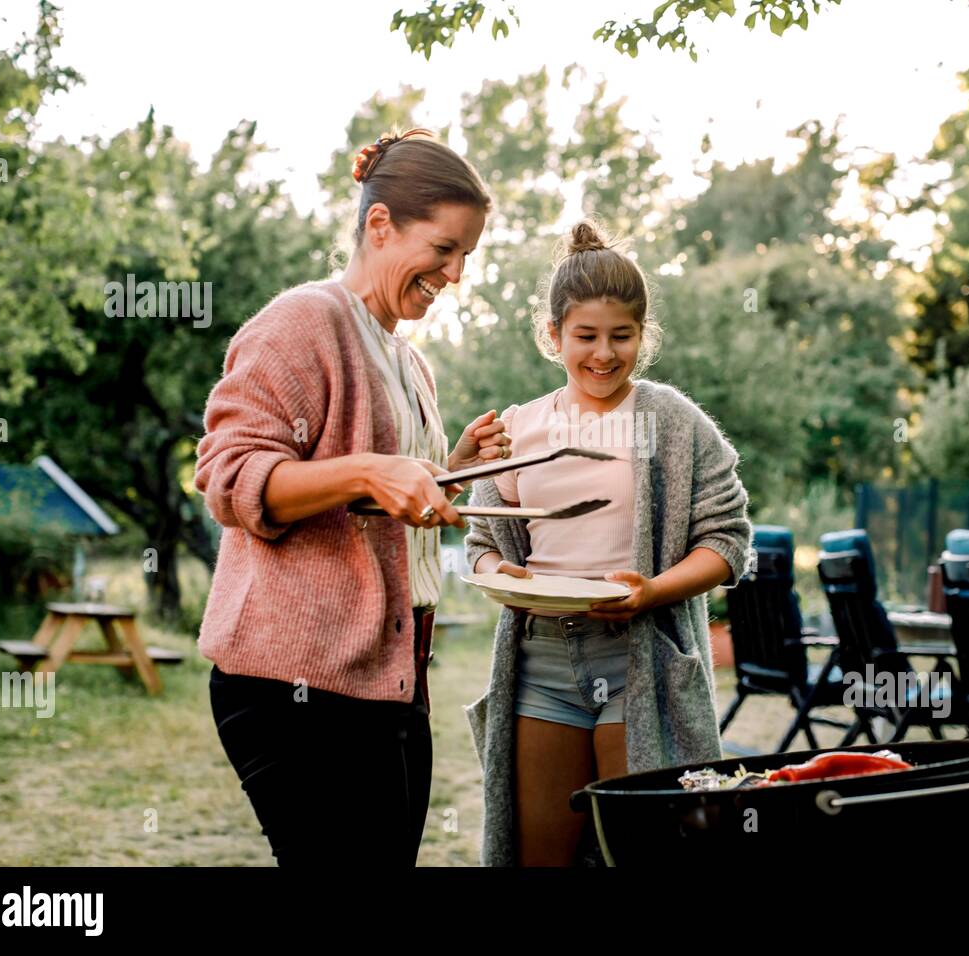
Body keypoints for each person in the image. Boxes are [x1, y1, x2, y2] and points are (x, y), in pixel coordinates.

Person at [194, 129, 511, 866]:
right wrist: (370, 471)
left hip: (388, 681)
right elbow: (229, 476)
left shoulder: (409, 362)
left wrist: (451, 466)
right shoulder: (304, 322)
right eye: (443, 248)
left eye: (467, 255)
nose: (456, 273)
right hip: (293, 688)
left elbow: (389, 503)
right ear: (379, 225)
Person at [463, 219, 752, 866]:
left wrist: (653, 591)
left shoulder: (674, 422)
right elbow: (482, 543)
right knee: (543, 855)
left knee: (642, 850)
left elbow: (727, 541)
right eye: (585, 336)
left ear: (643, 337)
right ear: (553, 335)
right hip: (541, 658)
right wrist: (504, 576)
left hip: (640, 659)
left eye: (621, 336)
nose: (603, 354)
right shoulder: (518, 430)